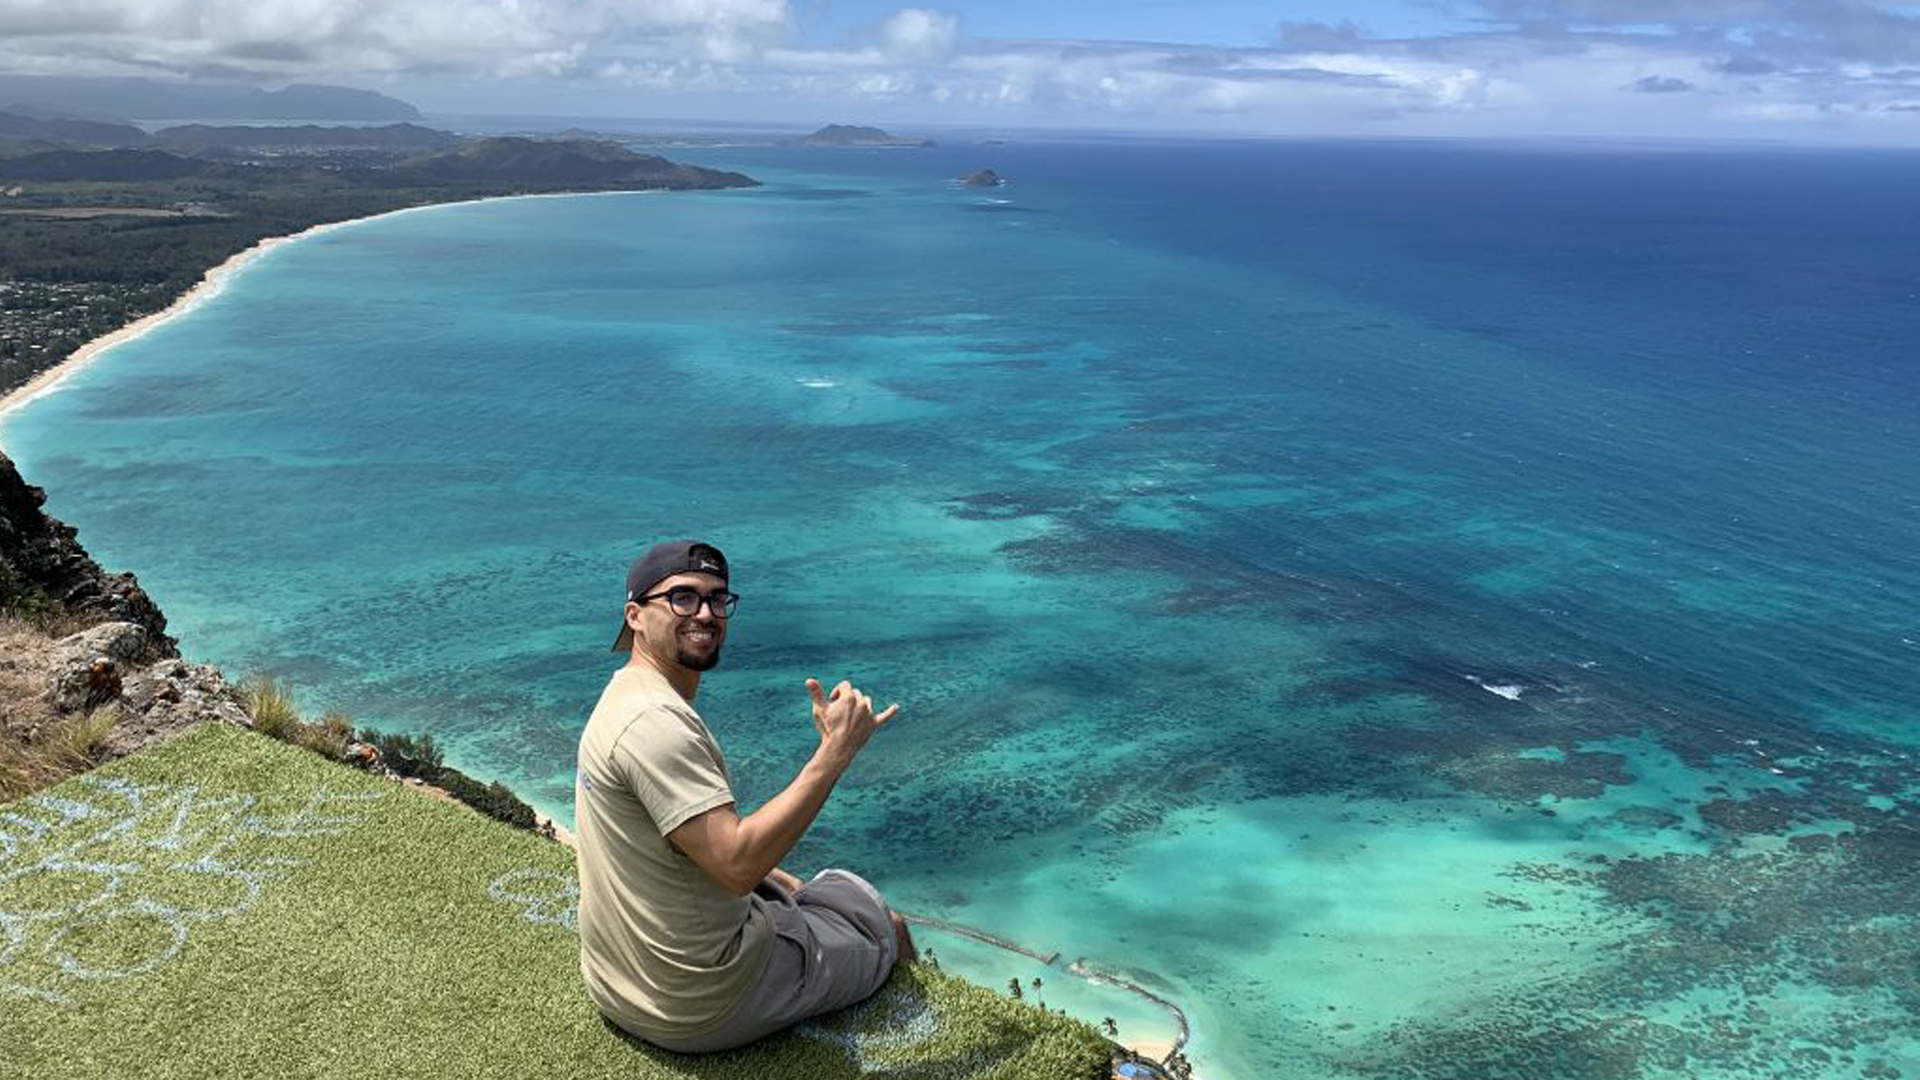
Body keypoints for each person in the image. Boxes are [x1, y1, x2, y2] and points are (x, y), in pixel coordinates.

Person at [574, 539, 914, 1053]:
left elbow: (682, 850)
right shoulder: (655, 725)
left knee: (811, 889)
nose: (705, 613)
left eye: (717, 600)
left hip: (619, 984)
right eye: (682, 598)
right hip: (703, 1000)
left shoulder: (625, 698)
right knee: (887, 926)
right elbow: (736, 866)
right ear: (635, 616)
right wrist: (836, 753)